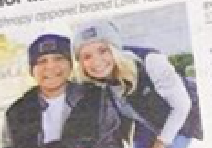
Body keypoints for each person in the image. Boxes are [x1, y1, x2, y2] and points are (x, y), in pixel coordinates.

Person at [73, 20, 203, 148]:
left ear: (115, 49)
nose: (96, 62)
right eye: (87, 56)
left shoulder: (151, 61)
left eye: (103, 50)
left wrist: (161, 143)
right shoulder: (95, 83)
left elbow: (182, 106)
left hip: (183, 120)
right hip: (147, 123)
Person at [2, 33, 124, 148]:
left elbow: (112, 142)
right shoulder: (16, 112)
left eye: (58, 58)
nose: (50, 66)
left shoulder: (97, 99)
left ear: (71, 65)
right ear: (31, 71)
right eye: (41, 61)